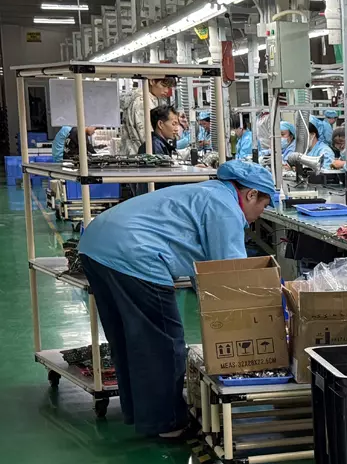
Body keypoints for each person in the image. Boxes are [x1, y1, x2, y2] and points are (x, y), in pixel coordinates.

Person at [77, 161, 276, 438]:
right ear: (251, 194)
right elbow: (231, 274)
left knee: (128, 339)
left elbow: (206, 270)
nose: (261, 214)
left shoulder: (209, 193)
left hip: (96, 246)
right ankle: (168, 423)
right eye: (264, 206)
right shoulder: (226, 209)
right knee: (164, 341)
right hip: (134, 253)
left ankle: (140, 413)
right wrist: (269, 313)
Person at [118, 77, 175, 156]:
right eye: (164, 85)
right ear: (152, 81)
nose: (166, 90)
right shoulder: (143, 102)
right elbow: (147, 137)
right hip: (139, 156)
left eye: (168, 87)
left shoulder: (149, 100)